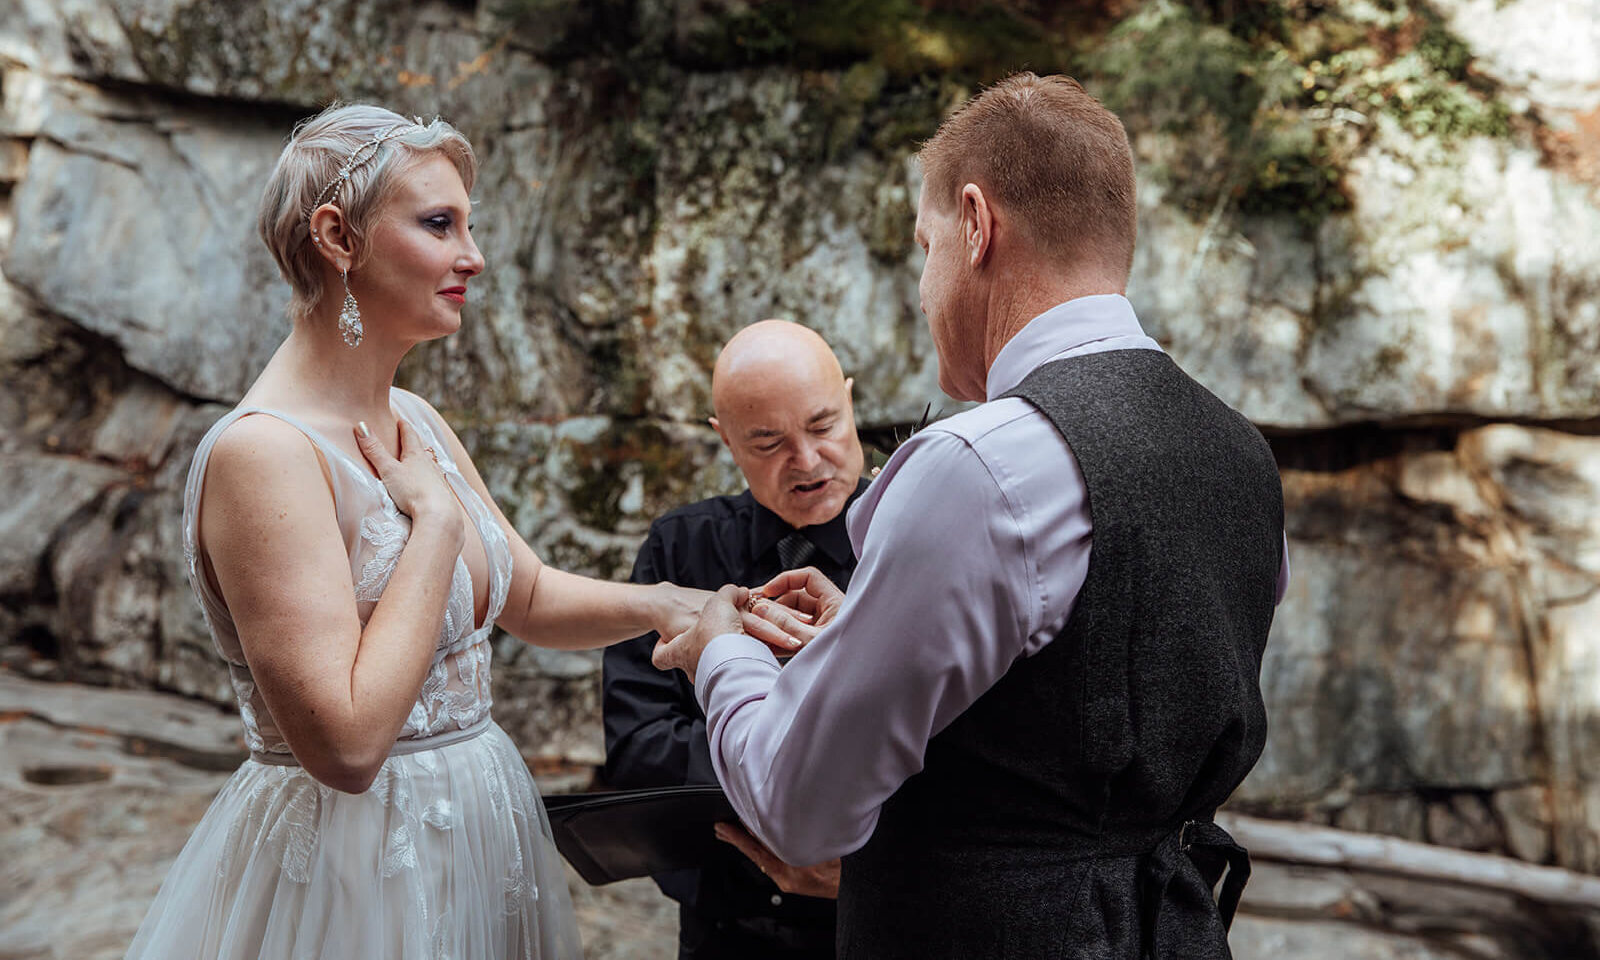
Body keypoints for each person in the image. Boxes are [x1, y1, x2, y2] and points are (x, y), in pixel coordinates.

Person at [655, 73, 1290, 958]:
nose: (925, 287)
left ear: (976, 223)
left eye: (925, 246)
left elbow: (802, 808)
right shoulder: (1242, 454)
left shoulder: (979, 465)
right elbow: (1096, 710)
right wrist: (869, 637)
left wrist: (721, 648)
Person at [124, 103, 721, 960]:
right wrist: (436, 521)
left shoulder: (417, 418)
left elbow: (532, 594)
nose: (472, 257)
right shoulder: (263, 454)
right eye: (439, 225)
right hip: (350, 874)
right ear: (337, 237)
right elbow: (348, 742)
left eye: (467, 226)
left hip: (480, 835)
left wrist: (680, 602)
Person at [601, 320, 867, 959]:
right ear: (725, 440)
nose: (805, 462)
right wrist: (796, 771)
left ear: (851, 402)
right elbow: (639, 746)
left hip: (872, 917)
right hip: (725, 921)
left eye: (824, 426)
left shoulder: (913, 536)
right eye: (768, 441)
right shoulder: (680, 548)